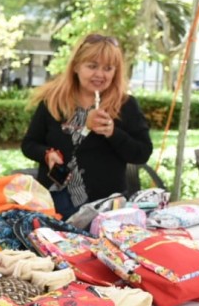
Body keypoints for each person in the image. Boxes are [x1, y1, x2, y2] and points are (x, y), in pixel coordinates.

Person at [21, 33, 153, 219]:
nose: (100, 74)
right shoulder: (53, 102)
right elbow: (29, 144)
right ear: (76, 66)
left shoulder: (125, 105)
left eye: (108, 68)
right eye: (92, 66)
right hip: (54, 203)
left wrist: (113, 133)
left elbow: (142, 153)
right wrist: (47, 154)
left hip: (105, 209)